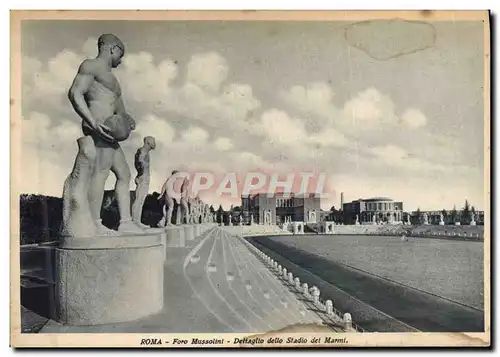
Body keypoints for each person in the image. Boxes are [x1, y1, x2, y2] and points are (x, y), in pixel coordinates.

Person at [67, 33, 143, 235]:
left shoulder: (112, 79)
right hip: (100, 127)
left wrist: (128, 120)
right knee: (100, 173)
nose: (121, 59)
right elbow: (75, 93)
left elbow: (120, 109)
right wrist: (93, 122)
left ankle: (125, 222)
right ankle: (95, 223)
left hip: (110, 132)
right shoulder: (91, 65)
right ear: (112, 48)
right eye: (121, 53)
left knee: (124, 174)